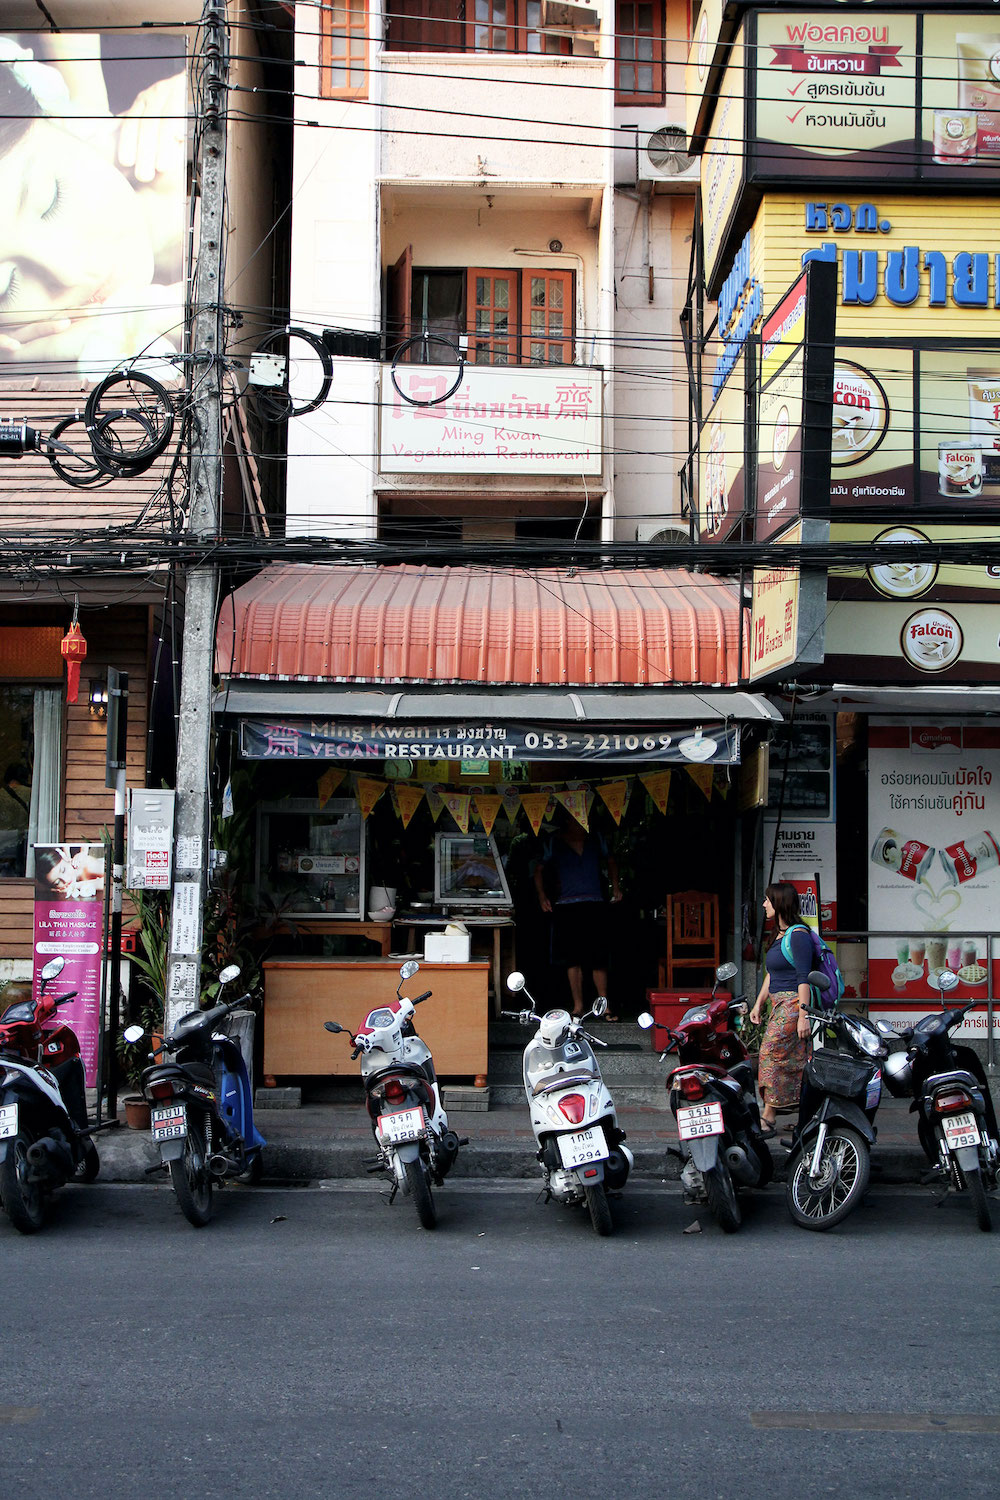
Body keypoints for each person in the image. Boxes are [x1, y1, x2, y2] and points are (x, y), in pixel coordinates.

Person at [0, 38, 184, 375]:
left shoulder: (181, 137)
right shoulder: (33, 355)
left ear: (55, 118)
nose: (71, 271)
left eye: (51, 201)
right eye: (6, 284)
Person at [534, 808, 622, 1018]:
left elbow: (611, 861)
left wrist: (615, 886)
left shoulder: (596, 839)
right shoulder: (554, 842)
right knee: (572, 959)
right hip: (566, 905)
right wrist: (541, 896)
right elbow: (538, 870)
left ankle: (604, 1005)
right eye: (575, 819)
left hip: (594, 903)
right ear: (567, 821)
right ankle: (578, 1006)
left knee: (599, 957)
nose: (580, 823)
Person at [748, 881, 813, 1133]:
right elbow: (770, 973)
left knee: (769, 1052)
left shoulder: (798, 935)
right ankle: (805, 1114)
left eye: (768, 900)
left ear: (780, 903)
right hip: (777, 1003)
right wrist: (759, 1003)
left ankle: (769, 1114)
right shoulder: (778, 935)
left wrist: (803, 1016)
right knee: (795, 1061)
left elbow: (803, 977)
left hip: (794, 1004)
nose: (764, 904)